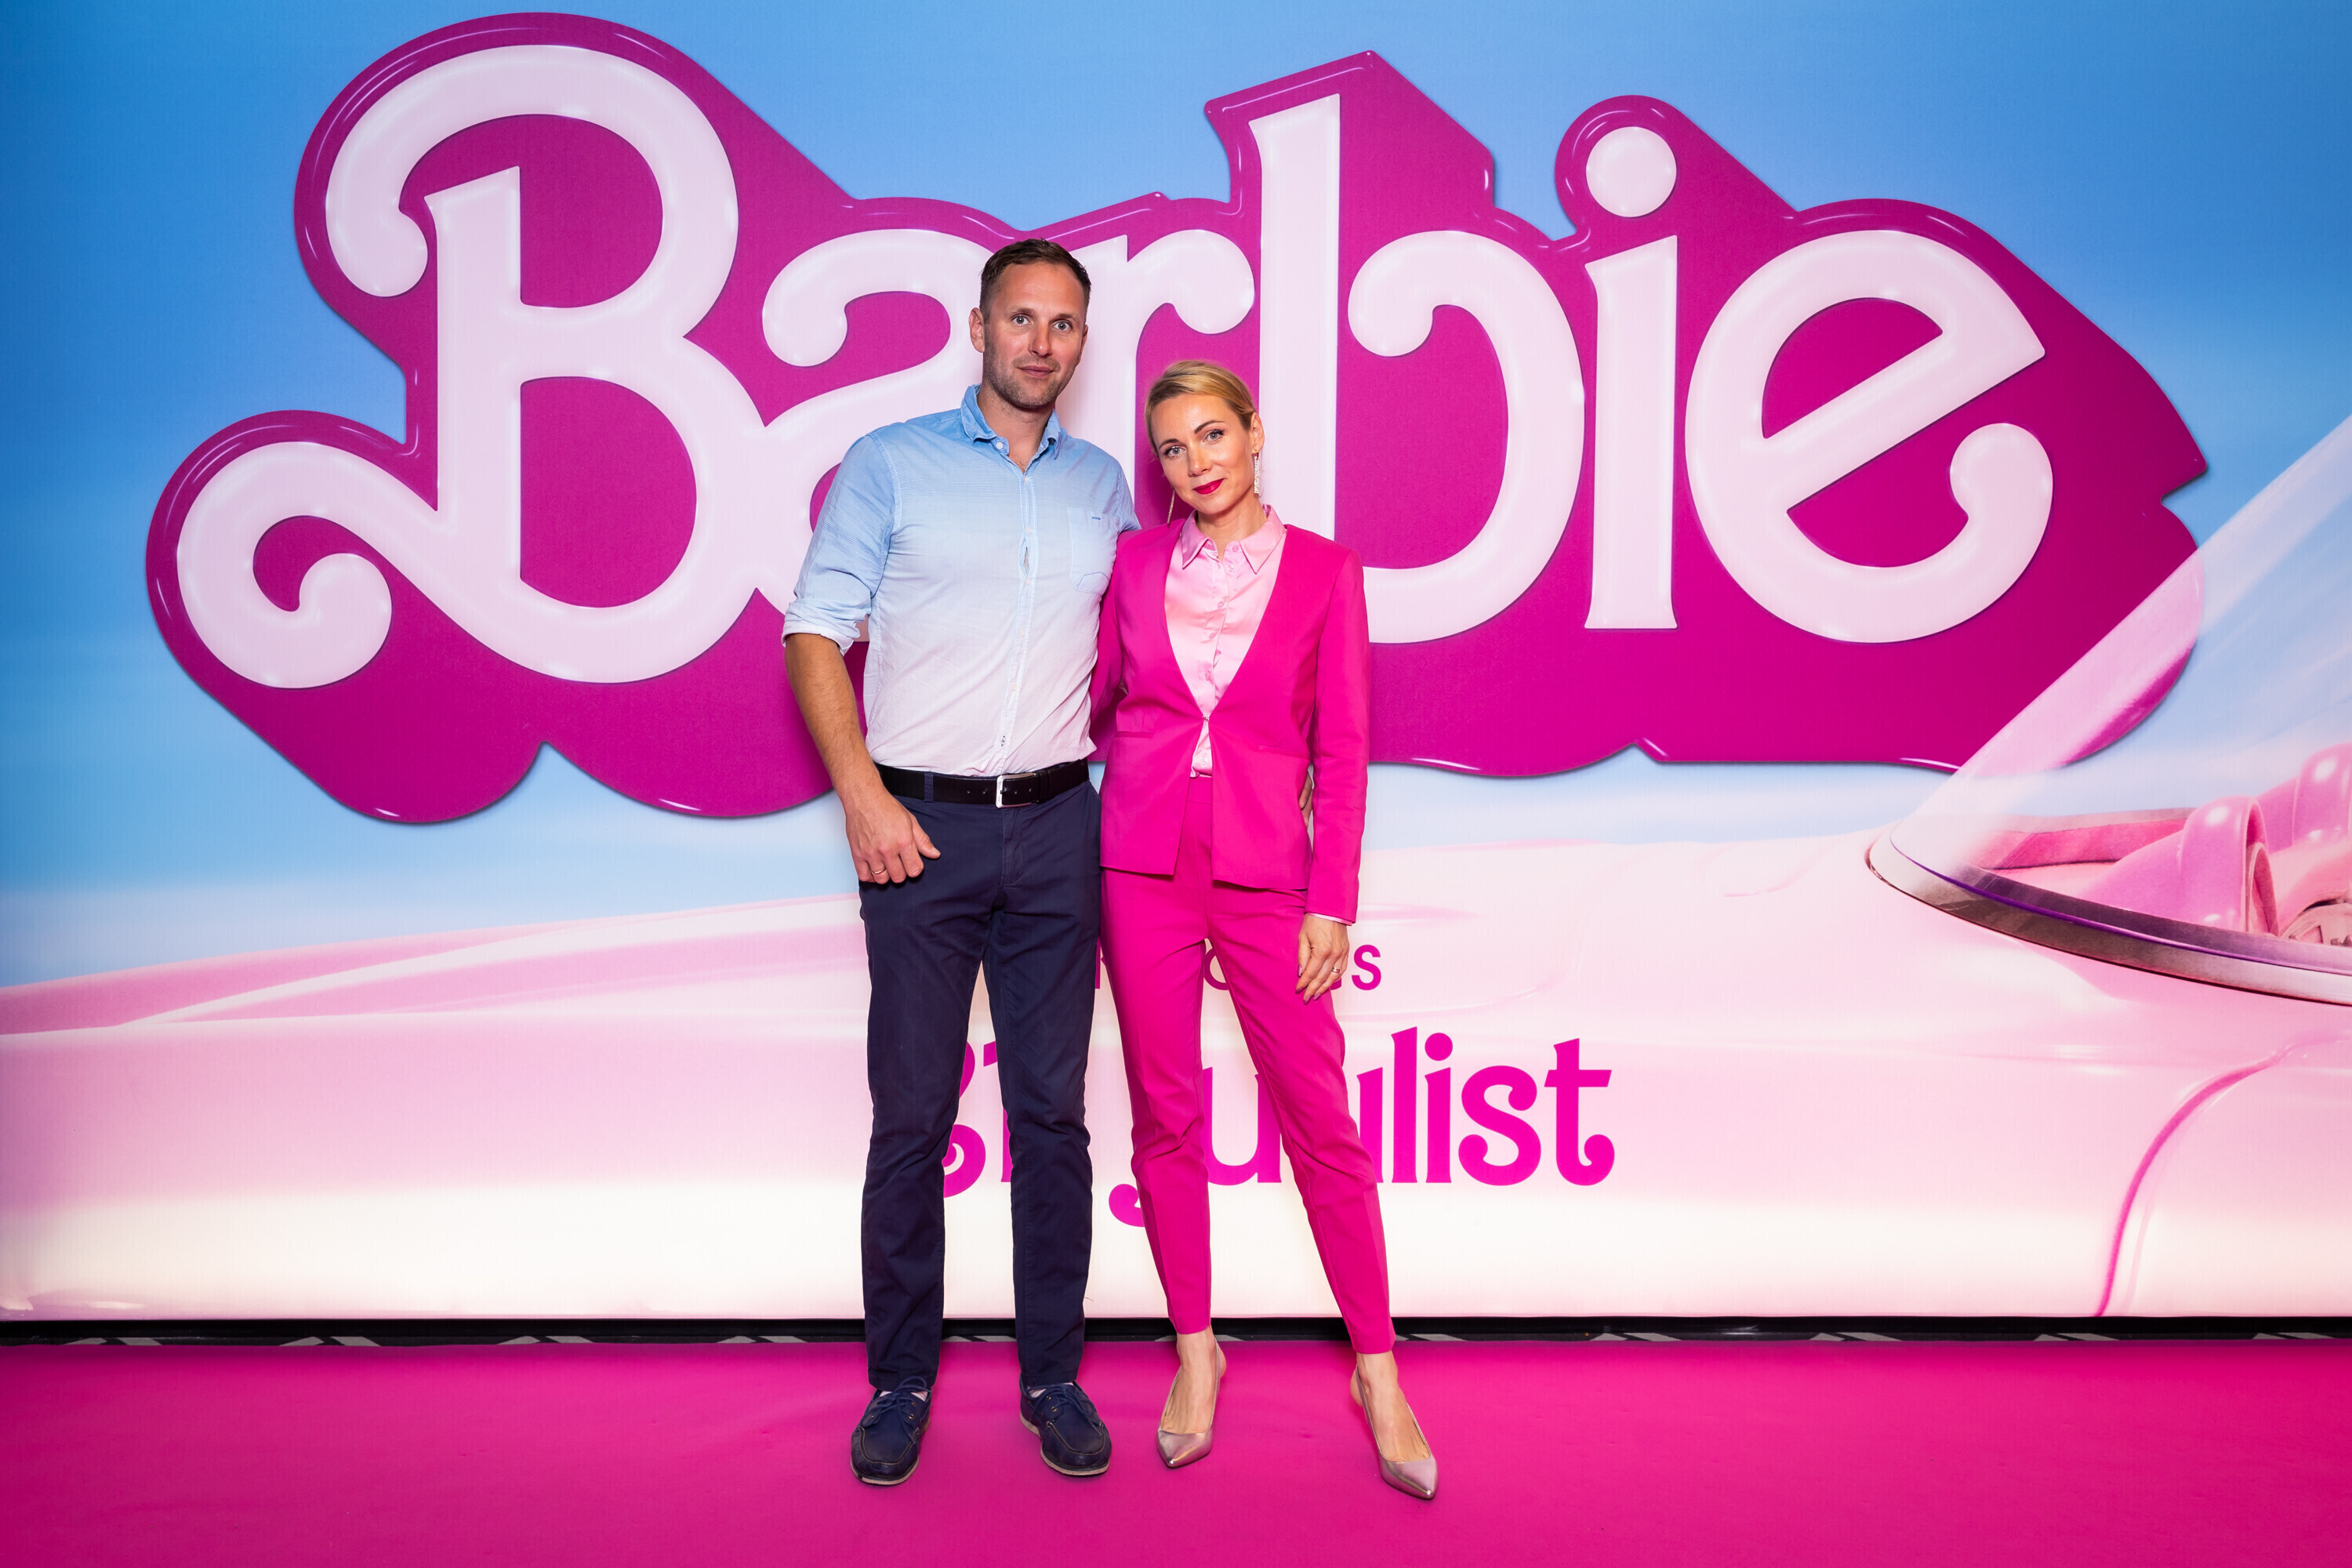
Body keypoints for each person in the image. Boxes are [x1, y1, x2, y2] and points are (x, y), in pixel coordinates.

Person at [782, 238, 1137, 1486]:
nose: (1043, 343)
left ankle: (1053, 1378)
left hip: (1058, 826)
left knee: (1053, 1118)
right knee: (912, 1116)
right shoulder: (890, 463)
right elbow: (815, 632)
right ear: (977, 329)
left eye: (1064, 324)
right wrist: (862, 798)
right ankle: (899, 1382)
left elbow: (1155, 648)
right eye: (1021, 319)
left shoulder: (1104, 486)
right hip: (917, 834)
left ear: (1082, 342)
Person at [1091, 360, 1438, 1499]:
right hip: (1141, 864)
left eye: (1212, 435)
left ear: (1253, 433)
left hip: (1266, 873)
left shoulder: (1328, 571)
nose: (1195, 462)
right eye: (1173, 448)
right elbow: (1097, 700)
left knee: (1320, 1121)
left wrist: (1331, 899)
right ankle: (1197, 1353)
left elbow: (1344, 748)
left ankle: (1378, 1372)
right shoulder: (1134, 564)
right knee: (1166, 1115)